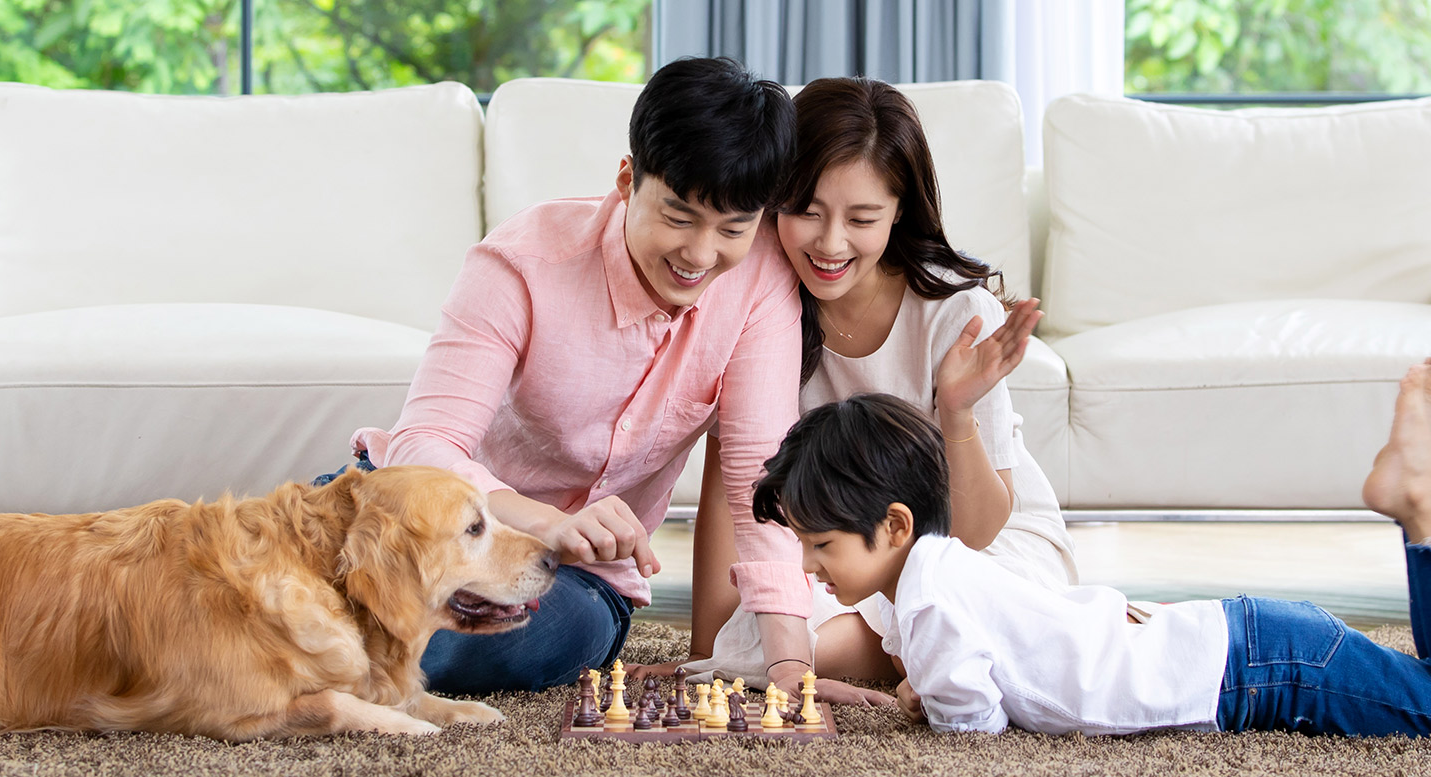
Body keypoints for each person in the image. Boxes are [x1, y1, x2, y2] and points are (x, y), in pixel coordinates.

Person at [326, 57, 812, 694]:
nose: (699, 254)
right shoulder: (524, 262)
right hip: (424, 523)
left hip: (575, 582)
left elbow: (759, 482)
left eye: (732, 229)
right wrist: (542, 521)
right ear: (627, 178)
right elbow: (426, 445)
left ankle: (312, 640)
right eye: (678, 216)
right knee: (286, 557)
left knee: (543, 639)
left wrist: (792, 671)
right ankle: (310, 629)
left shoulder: (761, 286)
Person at [642, 77, 1077, 698]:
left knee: (959, 613)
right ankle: (925, 659)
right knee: (758, 648)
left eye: (862, 218)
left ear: (899, 210)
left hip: (979, 546)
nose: (830, 243)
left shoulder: (955, 314)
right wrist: (706, 653)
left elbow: (975, 531)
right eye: (806, 212)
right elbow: (736, 483)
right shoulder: (759, 301)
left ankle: (944, 651)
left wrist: (955, 413)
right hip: (840, 553)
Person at [758, 362, 1431, 736]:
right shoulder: (948, 573)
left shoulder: (928, 603)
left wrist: (929, 699)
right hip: (1254, 645)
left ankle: (1419, 510)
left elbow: (972, 723)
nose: (808, 564)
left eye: (821, 543)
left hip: (1258, 675)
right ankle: (1417, 509)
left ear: (897, 525)